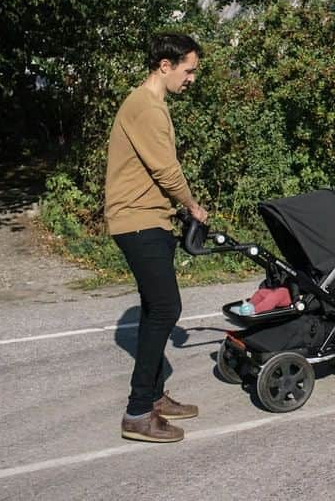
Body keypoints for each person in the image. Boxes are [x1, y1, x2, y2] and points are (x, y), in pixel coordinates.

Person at [105, 33, 209, 442]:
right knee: (167, 308)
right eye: (189, 70)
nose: (192, 78)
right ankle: (137, 413)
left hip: (151, 219)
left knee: (155, 308)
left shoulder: (153, 105)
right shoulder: (144, 106)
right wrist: (193, 206)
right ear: (165, 66)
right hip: (137, 221)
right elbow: (167, 171)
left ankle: (152, 396)